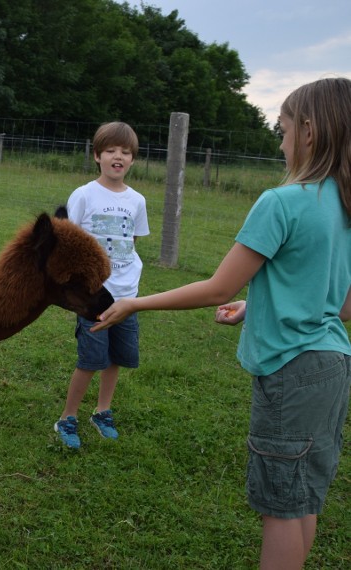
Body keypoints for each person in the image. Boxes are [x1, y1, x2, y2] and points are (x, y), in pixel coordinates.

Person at [92, 77, 351, 570]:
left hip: (291, 373)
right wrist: (259, 307)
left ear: (310, 131)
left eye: (283, 128)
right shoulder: (346, 204)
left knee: (280, 507)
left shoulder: (282, 202)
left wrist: (135, 304)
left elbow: (217, 289)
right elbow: (339, 304)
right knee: (305, 498)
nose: (280, 140)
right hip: (333, 366)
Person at [54, 121, 149, 450]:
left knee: (115, 359)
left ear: (133, 159)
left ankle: (102, 411)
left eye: (125, 152)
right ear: (97, 156)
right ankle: (67, 417)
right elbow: (70, 239)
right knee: (90, 360)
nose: (118, 157)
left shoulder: (137, 200)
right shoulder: (83, 195)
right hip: (94, 297)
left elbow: (133, 240)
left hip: (128, 297)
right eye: (110, 151)